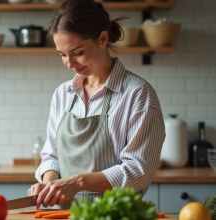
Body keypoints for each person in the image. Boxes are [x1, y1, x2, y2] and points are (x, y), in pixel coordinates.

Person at [28, 0, 166, 210]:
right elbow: (52, 156)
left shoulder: (138, 94)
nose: (69, 63)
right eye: (62, 55)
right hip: (64, 215)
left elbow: (139, 171)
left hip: (117, 215)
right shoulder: (62, 94)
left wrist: (77, 182)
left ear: (103, 39)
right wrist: (48, 185)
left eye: (77, 52)